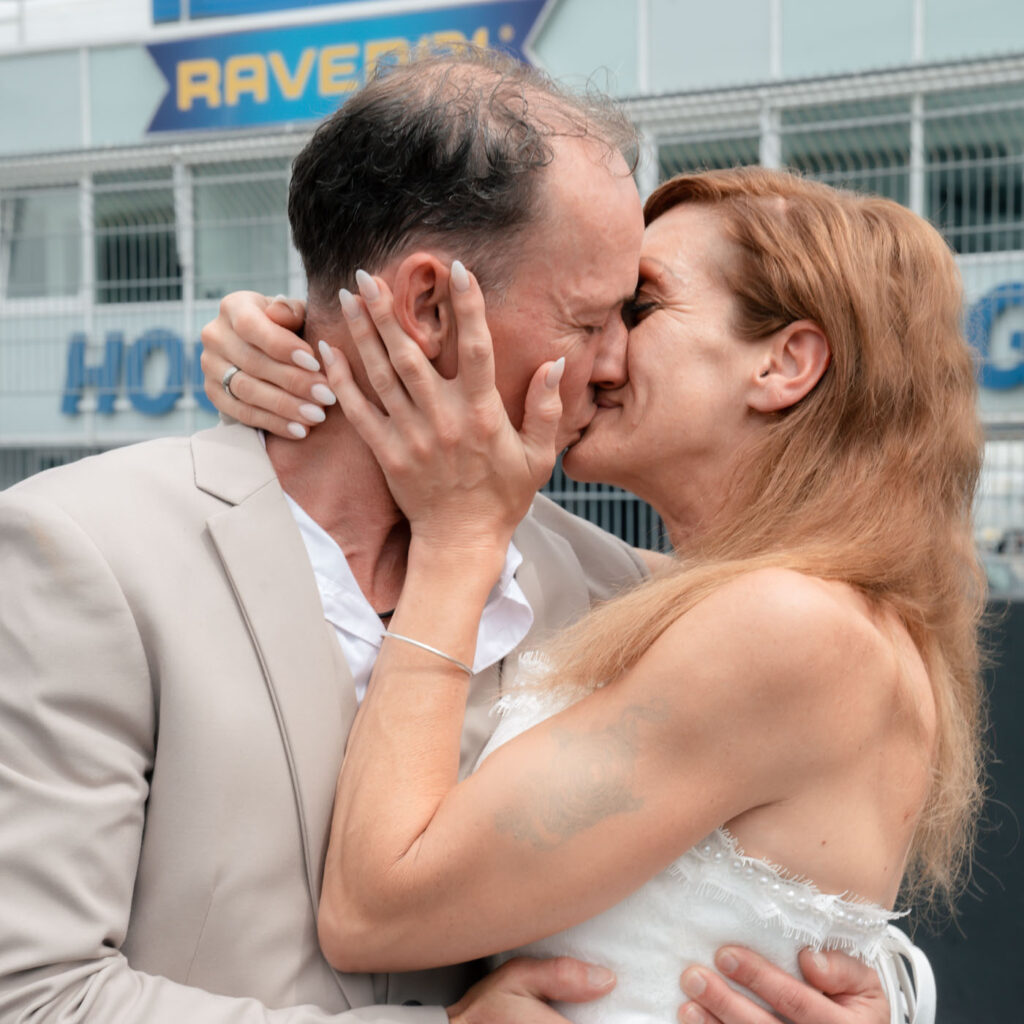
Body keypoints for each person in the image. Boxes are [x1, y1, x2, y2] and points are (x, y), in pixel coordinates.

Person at [0, 51, 895, 1024]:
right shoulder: (84, 551)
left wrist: (874, 997)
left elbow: (760, 849)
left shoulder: (613, 594)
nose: (612, 362)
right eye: (592, 317)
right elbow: (34, 993)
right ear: (428, 306)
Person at [209, 166, 983, 1024]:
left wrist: (457, 545)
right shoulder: (718, 598)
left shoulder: (788, 625)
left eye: (640, 307)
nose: (598, 351)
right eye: (594, 311)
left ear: (785, 363)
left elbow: (372, 912)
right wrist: (304, 343)